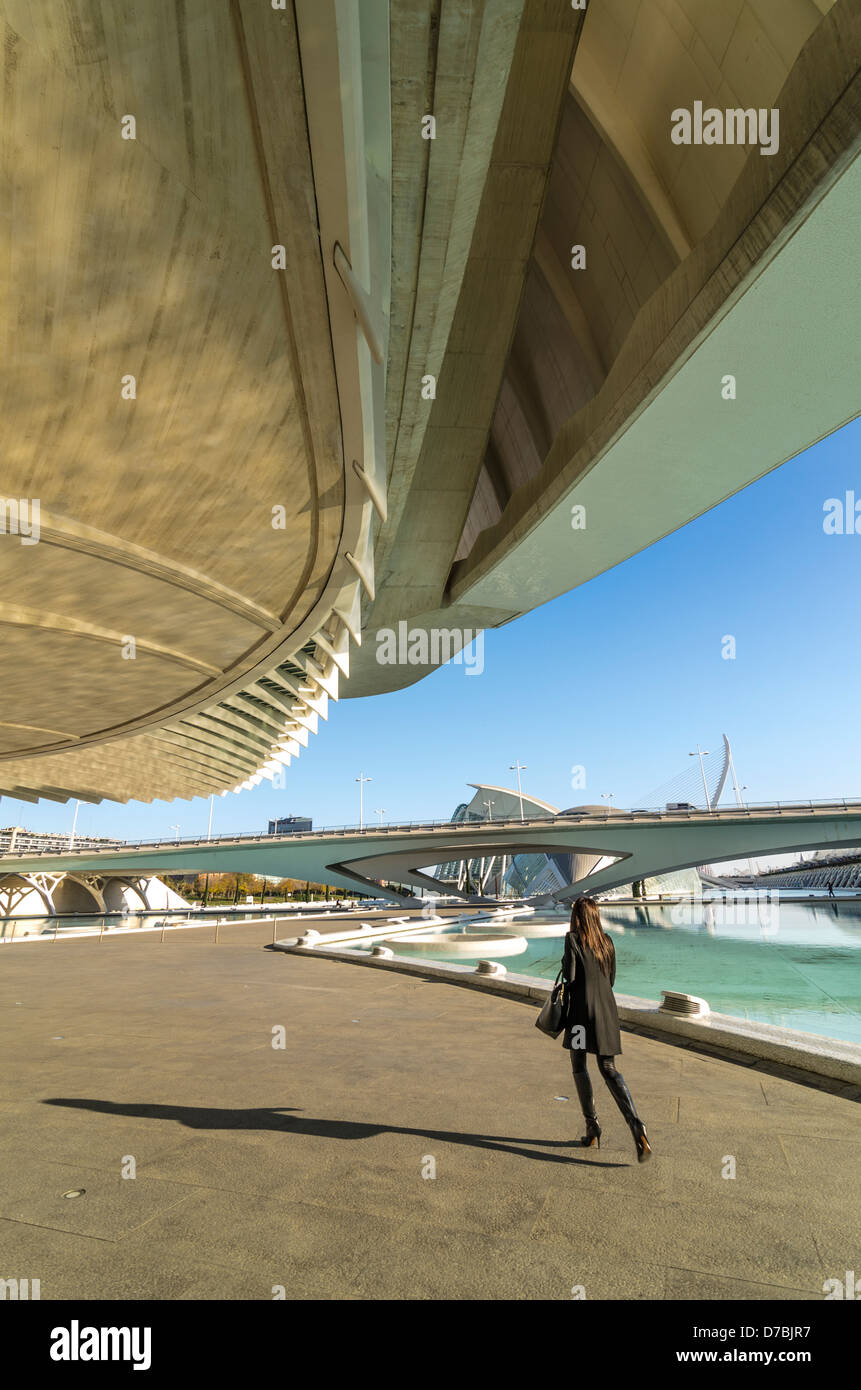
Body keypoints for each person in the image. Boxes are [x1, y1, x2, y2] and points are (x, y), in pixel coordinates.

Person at [562, 896, 651, 1162]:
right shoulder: (607, 942)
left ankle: (592, 1126)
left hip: (580, 1016)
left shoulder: (573, 939)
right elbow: (610, 979)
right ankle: (637, 1126)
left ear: (577, 917)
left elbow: (571, 977)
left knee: (579, 1066)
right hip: (606, 1014)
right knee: (608, 1068)